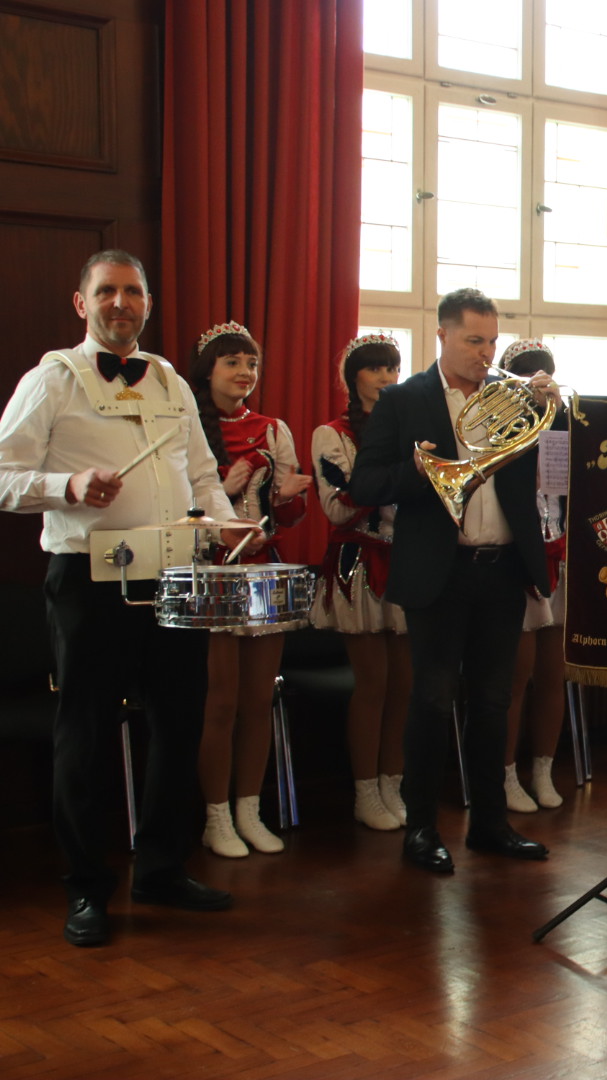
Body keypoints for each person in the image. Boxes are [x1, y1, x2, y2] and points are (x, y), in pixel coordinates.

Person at [0, 250, 240, 946]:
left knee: (178, 725)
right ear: (82, 304)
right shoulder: (53, 378)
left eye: (132, 291)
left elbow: (201, 472)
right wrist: (67, 488)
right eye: (106, 291)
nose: (120, 303)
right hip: (89, 582)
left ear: (147, 303)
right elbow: (4, 474)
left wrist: (224, 519)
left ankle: (162, 868)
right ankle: (85, 887)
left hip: (170, 577)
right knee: (86, 734)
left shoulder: (166, 377)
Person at [348, 288, 553, 873]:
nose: (486, 354)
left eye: (491, 341)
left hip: (502, 565)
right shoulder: (403, 400)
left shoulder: (509, 397)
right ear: (441, 335)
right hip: (440, 568)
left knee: (493, 700)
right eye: (473, 341)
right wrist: (418, 472)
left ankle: (491, 823)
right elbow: (364, 484)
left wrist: (551, 410)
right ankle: (422, 828)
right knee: (432, 700)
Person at [189, 322, 312, 858]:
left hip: (262, 570)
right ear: (209, 370)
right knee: (221, 702)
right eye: (232, 362)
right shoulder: (188, 424)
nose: (244, 373)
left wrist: (287, 497)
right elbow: (182, 508)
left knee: (259, 699)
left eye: (251, 364)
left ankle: (249, 809)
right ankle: (215, 817)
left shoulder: (273, 429)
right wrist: (225, 487)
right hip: (212, 574)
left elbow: (286, 518)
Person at [310, 333, 411, 832]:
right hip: (358, 563)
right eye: (376, 369)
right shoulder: (331, 435)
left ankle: (393, 781)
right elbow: (336, 507)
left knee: (405, 684)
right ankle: (364, 790)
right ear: (355, 378)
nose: (387, 379)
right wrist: (392, 476)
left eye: (393, 369)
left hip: (407, 562)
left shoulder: (407, 430)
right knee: (373, 684)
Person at [497, 340, 570, 813]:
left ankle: (543, 769)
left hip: (559, 556)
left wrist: (561, 418)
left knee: (553, 675)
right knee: (514, 677)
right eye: (527, 376)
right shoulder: (500, 429)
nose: (538, 384)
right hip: (516, 561)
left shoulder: (563, 426)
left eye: (544, 376)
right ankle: (504, 774)